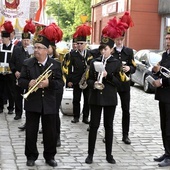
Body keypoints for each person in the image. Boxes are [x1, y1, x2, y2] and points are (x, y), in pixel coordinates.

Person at [18, 23, 64, 167]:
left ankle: (50, 156)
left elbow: (60, 84)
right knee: (31, 131)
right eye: (35, 47)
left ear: (46, 50)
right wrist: (28, 83)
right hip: (33, 102)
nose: (36, 50)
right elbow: (20, 81)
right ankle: (31, 156)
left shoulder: (55, 65)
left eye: (39, 48)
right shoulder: (28, 63)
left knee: (50, 132)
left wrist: (49, 84)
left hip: (49, 103)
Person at [85, 17, 127, 164]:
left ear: (112, 49)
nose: (103, 51)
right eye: (101, 49)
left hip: (109, 98)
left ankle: (109, 155)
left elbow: (120, 84)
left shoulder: (116, 63)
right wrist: (94, 82)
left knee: (108, 126)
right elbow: (88, 80)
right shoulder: (94, 61)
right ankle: (90, 154)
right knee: (93, 126)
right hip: (95, 97)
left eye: (106, 49)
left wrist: (107, 75)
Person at [112, 11, 136, 145]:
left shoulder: (129, 52)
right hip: (113, 83)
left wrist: (129, 69)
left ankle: (125, 134)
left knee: (126, 110)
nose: (119, 42)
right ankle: (108, 133)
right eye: (117, 40)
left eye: (121, 39)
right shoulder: (112, 51)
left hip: (125, 85)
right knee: (110, 109)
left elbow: (134, 66)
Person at [67, 24, 93, 124]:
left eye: (81, 43)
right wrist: (69, 80)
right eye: (78, 44)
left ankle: (85, 117)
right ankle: (76, 116)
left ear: (85, 44)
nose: (79, 46)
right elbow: (69, 68)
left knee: (87, 100)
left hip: (87, 80)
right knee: (76, 99)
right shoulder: (72, 54)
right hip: (77, 79)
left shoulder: (90, 54)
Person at [10, 19, 35, 120]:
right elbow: (11, 62)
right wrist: (15, 71)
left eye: (27, 40)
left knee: (29, 98)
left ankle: (29, 114)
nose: (26, 42)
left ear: (30, 41)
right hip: (18, 76)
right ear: (22, 40)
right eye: (24, 40)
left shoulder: (32, 51)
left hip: (29, 77)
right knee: (18, 96)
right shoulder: (16, 50)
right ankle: (18, 113)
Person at [152, 31, 170, 167]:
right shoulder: (164, 55)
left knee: (169, 127)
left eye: (169, 39)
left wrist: (162, 82)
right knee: (163, 125)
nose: (167, 41)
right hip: (162, 96)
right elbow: (163, 71)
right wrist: (155, 71)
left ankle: (169, 156)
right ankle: (166, 151)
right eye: (166, 38)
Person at [48, 43, 63, 147]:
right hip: (46, 89)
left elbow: (60, 79)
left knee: (55, 113)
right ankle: (48, 135)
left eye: (48, 47)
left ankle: (57, 136)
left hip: (56, 90)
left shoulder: (57, 61)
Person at [0, 21, 15, 114]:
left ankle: (11, 108)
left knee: (11, 91)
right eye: (2, 37)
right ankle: (0, 107)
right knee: (0, 90)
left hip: (10, 72)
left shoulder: (14, 47)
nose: (3, 39)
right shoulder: (0, 46)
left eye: (4, 38)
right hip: (1, 71)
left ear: (8, 38)